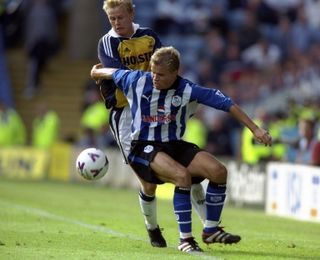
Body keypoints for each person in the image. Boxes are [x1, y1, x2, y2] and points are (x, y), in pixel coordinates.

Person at [91, 46, 273, 252]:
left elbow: (226, 104)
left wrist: (255, 129)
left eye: (160, 75)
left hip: (173, 144)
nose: (154, 78)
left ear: (175, 73)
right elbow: (113, 73)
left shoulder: (187, 89)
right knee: (182, 176)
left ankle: (210, 230)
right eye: (152, 72)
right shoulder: (137, 80)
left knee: (219, 171)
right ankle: (185, 240)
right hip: (143, 146)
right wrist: (96, 72)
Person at [96, 0, 206, 248]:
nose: (116, 23)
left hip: (155, 106)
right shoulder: (107, 42)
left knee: (185, 168)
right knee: (148, 182)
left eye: (120, 17)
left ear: (131, 13)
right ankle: (153, 228)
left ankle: (211, 227)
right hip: (125, 114)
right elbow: (124, 79)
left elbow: (166, 66)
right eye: (112, 19)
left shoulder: (149, 36)